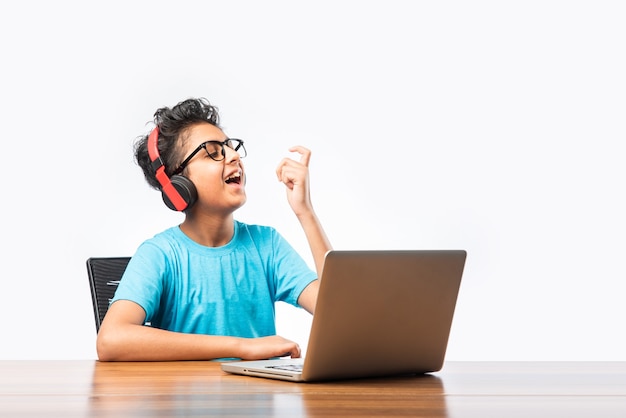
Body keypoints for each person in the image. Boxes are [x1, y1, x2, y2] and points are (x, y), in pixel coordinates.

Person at [96, 97, 332, 361]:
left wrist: (305, 211)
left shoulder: (267, 244)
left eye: (231, 148)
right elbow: (111, 341)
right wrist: (240, 347)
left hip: (257, 401)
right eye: (213, 152)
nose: (233, 156)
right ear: (177, 183)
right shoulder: (160, 254)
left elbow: (337, 312)